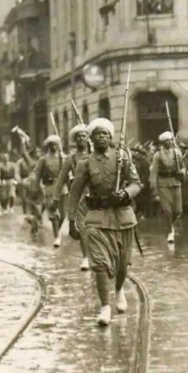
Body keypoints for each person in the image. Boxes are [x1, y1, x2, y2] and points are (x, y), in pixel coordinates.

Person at [67, 118, 142, 326]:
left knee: (122, 265)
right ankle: (105, 307)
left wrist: (125, 194)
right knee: (99, 265)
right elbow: (74, 193)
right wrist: (71, 220)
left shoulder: (122, 158)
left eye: (106, 134)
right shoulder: (85, 164)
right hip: (96, 218)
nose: (102, 137)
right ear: (91, 138)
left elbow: (137, 184)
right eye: (98, 134)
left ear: (111, 138)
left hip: (123, 216)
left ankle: (118, 289)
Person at [54, 124, 92, 271]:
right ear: (75, 140)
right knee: (82, 227)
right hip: (80, 196)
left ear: (88, 138)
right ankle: (85, 257)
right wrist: (56, 198)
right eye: (79, 137)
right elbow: (61, 179)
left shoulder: (95, 154)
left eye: (84, 136)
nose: (82, 139)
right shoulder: (71, 159)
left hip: (96, 195)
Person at [149, 131, 185, 244]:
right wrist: (154, 188)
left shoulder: (177, 153)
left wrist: (182, 172)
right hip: (163, 183)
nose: (169, 142)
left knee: (178, 211)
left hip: (176, 182)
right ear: (163, 143)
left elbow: (183, 167)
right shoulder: (158, 155)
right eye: (167, 141)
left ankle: (171, 224)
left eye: (170, 140)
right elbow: (154, 172)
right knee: (167, 210)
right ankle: (169, 231)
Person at [34, 135, 67, 247]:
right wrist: (37, 187)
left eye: (55, 144)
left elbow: (69, 172)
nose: (53, 146)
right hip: (49, 187)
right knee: (53, 213)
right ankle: (57, 236)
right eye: (51, 144)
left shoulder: (63, 158)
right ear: (48, 146)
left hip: (62, 187)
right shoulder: (43, 160)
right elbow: (37, 174)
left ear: (58, 146)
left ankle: (58, 230)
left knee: (63, 214)